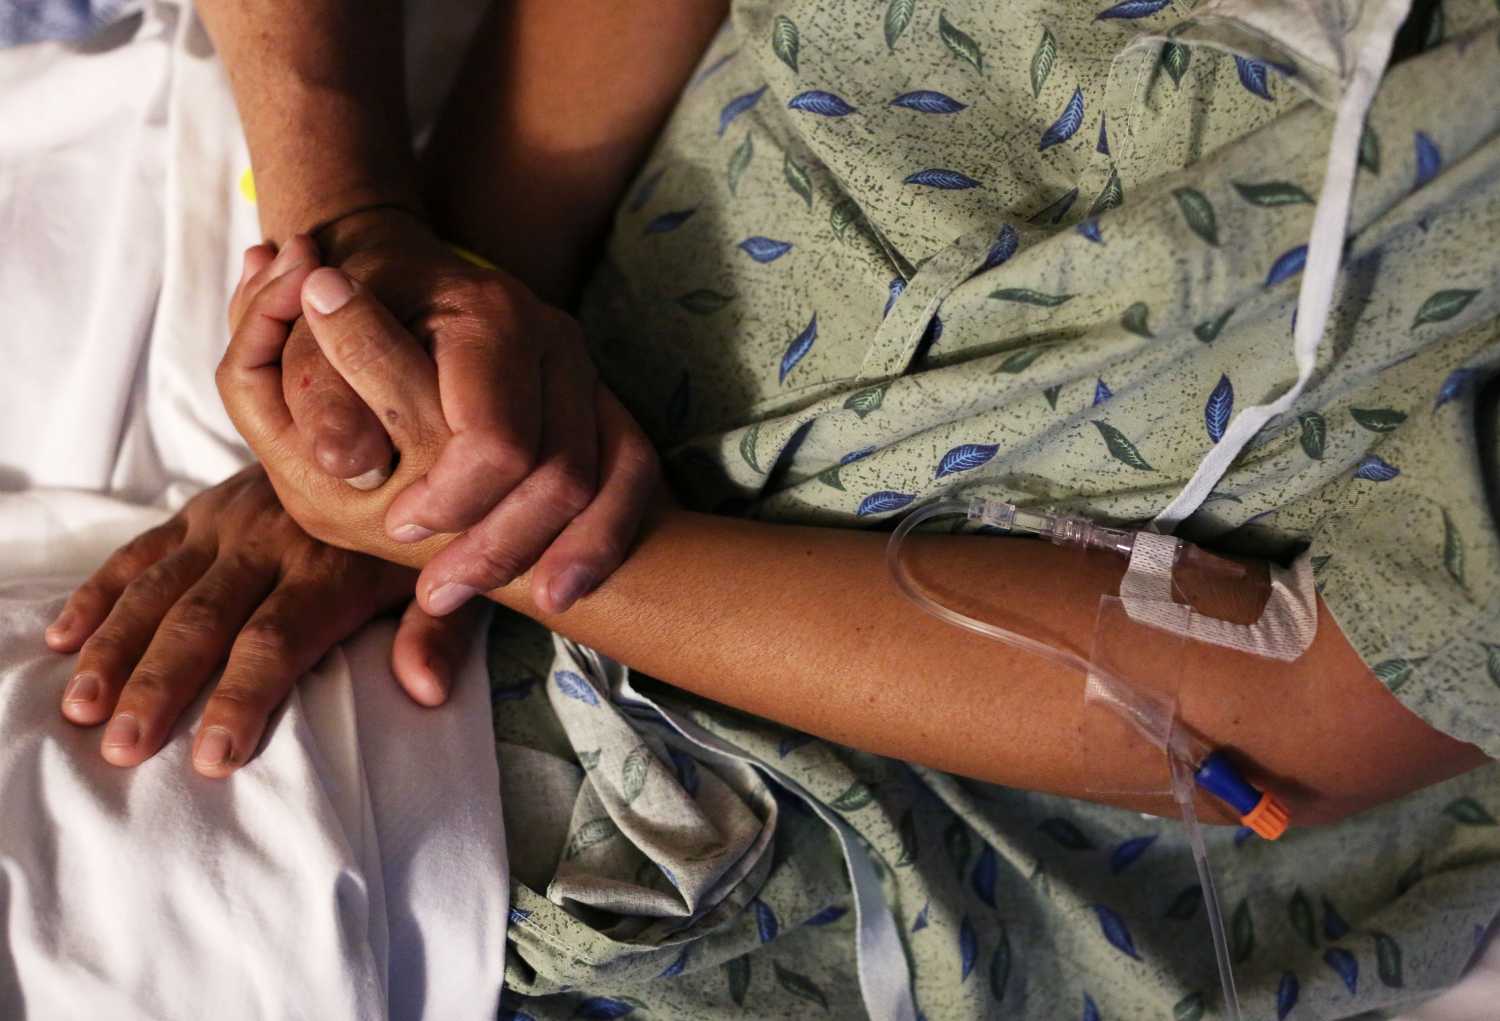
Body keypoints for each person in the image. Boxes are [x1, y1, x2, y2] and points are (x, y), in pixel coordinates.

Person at [51, 0, 1500, 1017]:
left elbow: (1319, 699)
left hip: (813, 840)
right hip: (526, 284)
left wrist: (530, 537)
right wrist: (399, 302)